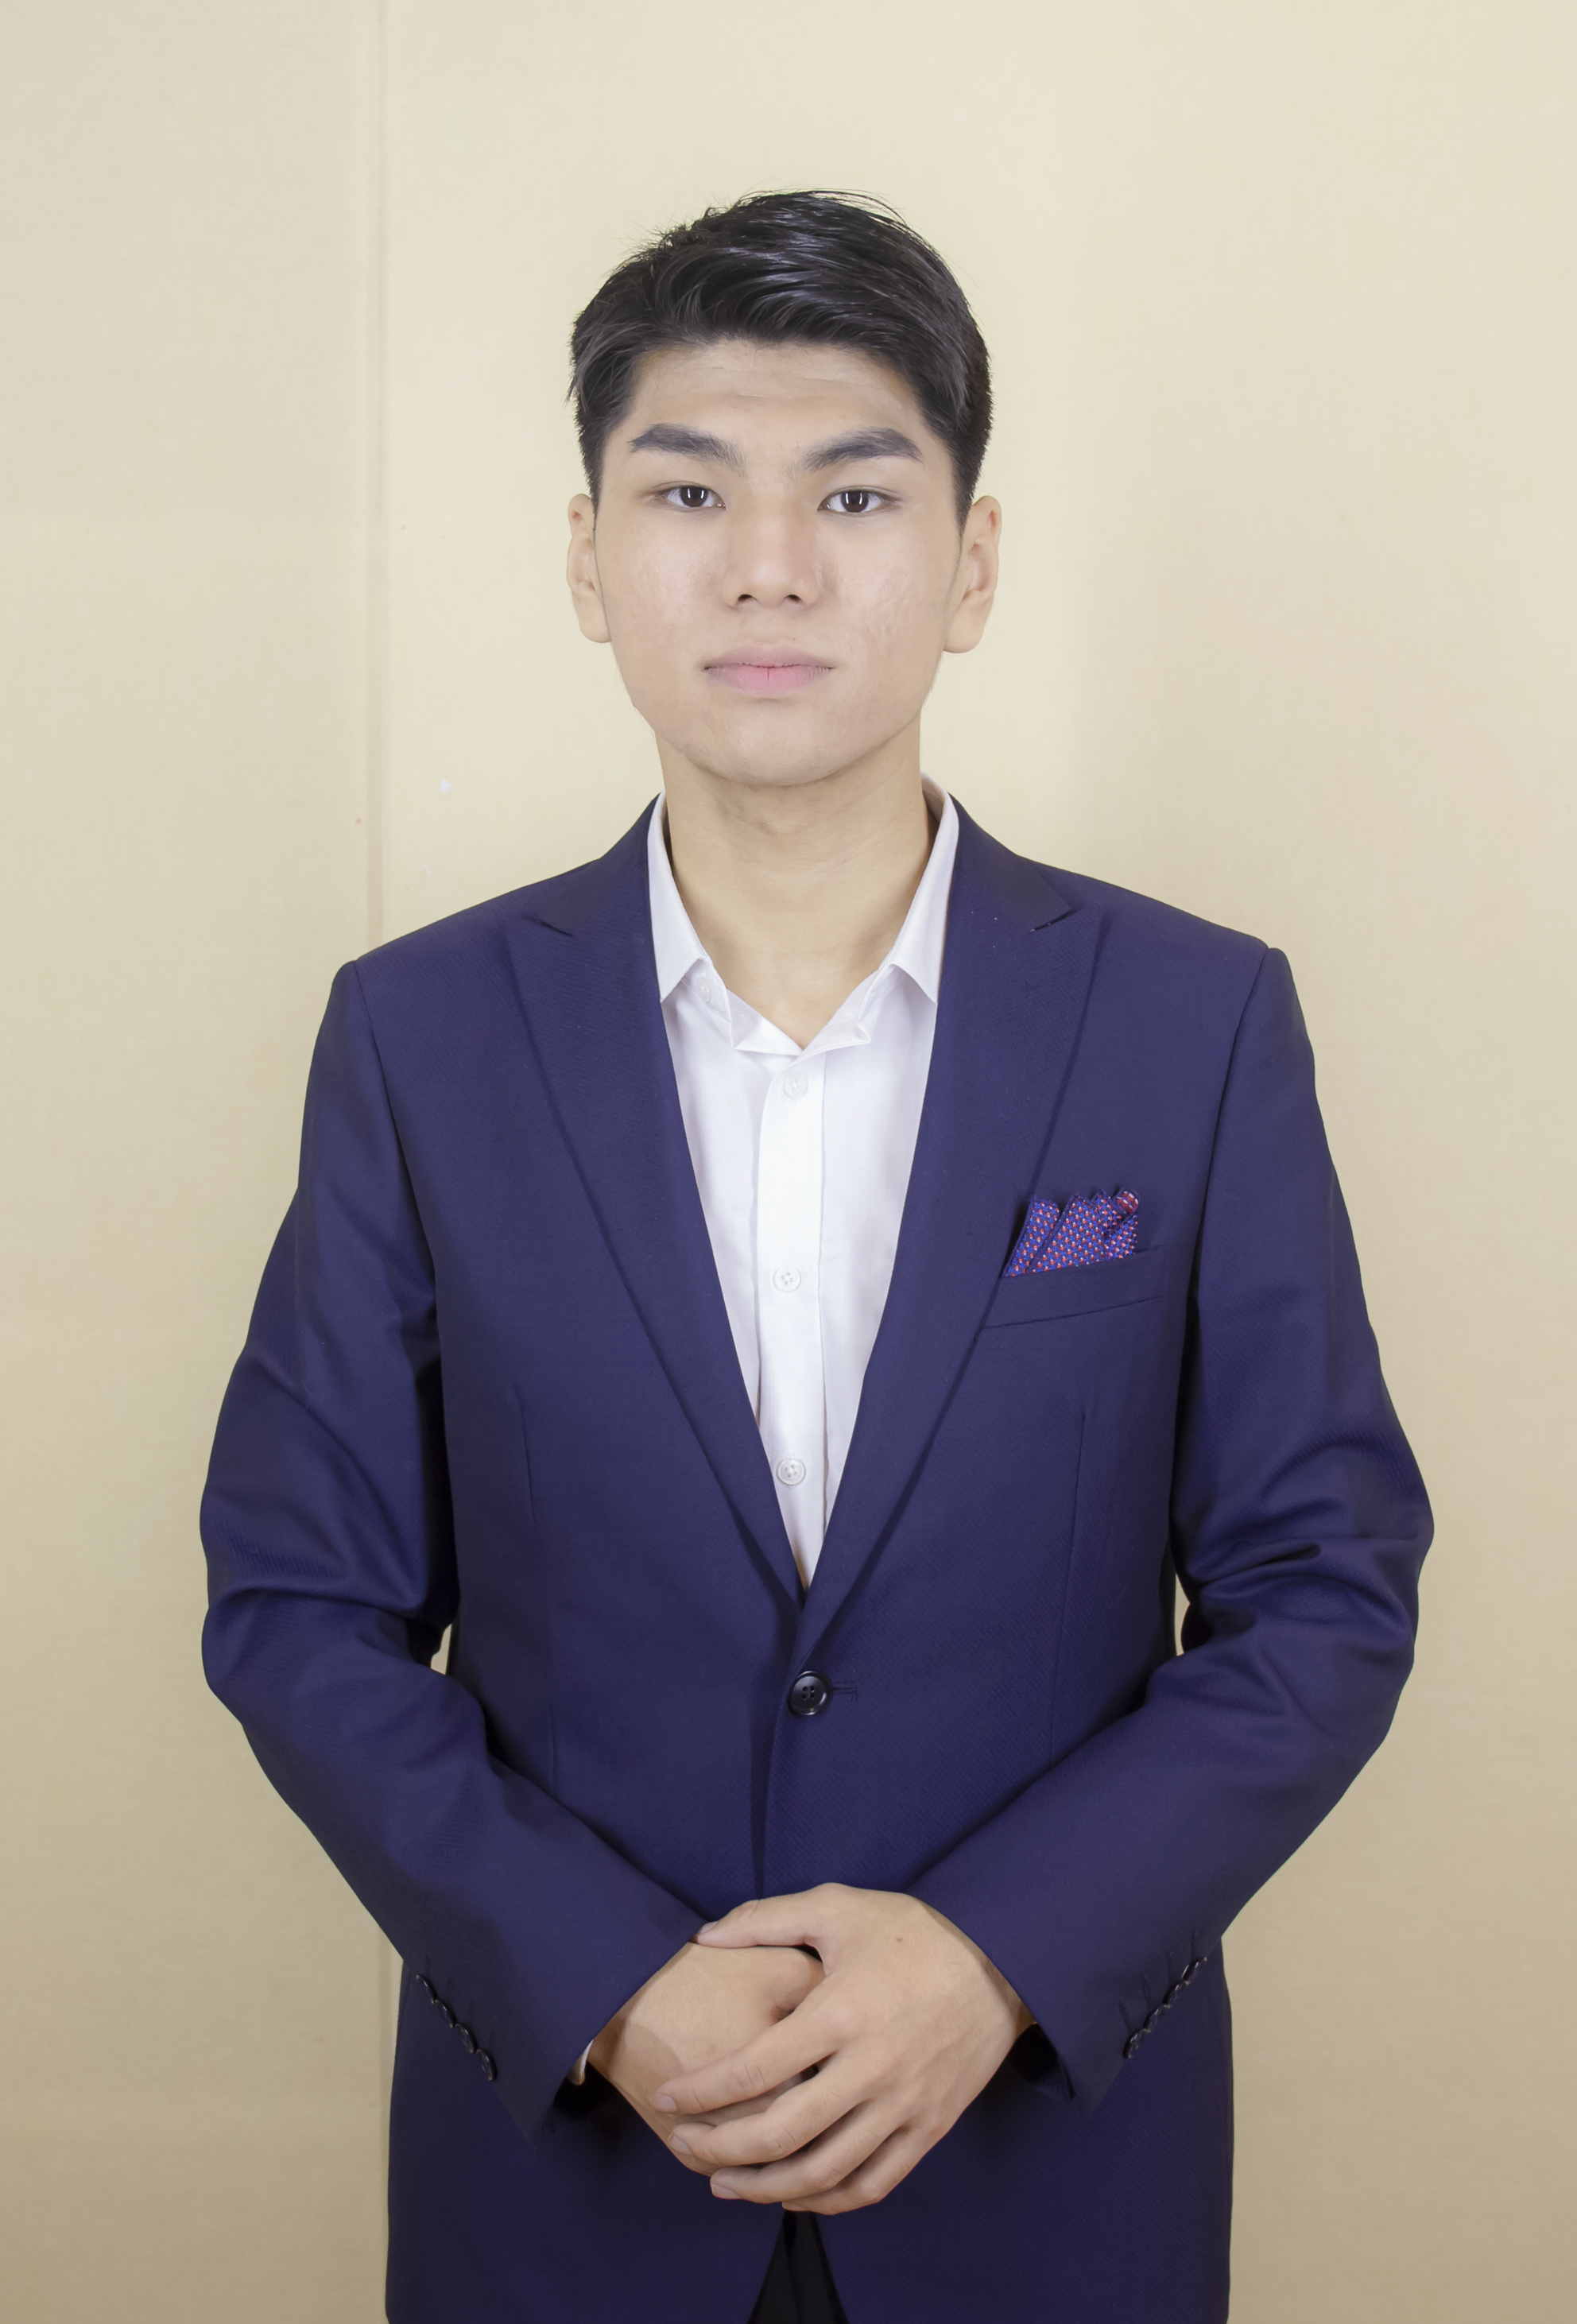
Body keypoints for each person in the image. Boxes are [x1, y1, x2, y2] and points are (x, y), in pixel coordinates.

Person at [200, 192, 1431, 2324]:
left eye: (854, 494)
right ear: (588, 557)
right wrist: (604, 1982)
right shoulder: (420, 1038)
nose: (768, 565)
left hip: (1044, 2183)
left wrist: (994, 1959)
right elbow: (301, 1605)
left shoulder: (1192, 1023)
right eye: (689, 490)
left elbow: (1323, 1585)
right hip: (569, 2193)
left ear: (972, 563)